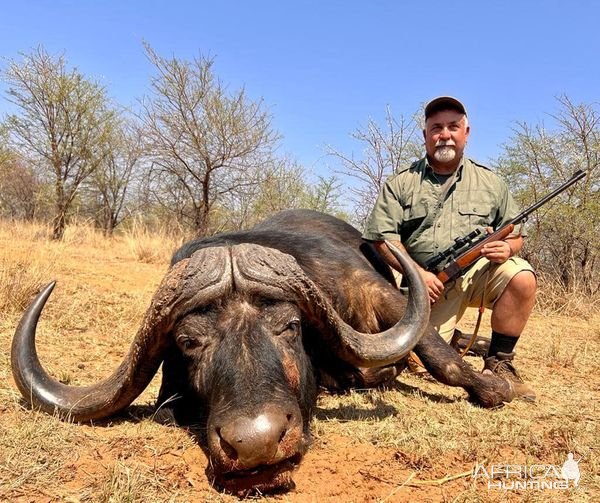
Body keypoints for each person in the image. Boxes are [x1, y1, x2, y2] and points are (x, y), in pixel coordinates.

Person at [362, 96, 537, 400]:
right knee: (418, 363)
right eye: (436, 127)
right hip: (430, 285)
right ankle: (455, 339)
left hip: (479, 275)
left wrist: (507, 250)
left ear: (466, 133)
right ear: (426, 135)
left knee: (522, 276)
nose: (444, 134)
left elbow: (515, 233)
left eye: (453, 127)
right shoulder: (401, 183)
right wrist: (418, 274)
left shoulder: (491, 182)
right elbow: (381, 239)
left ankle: (499, 363)